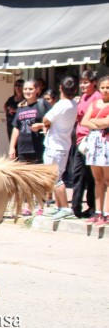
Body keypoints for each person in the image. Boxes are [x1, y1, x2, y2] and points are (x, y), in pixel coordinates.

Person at [39, 76, 78, 219]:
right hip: (63, 145)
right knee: (56, 176)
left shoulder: (61, 104)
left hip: (55, 145)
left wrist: (46, 124)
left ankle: (65, 208)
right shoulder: (73, 104)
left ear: (61, 88)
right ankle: (60, 206)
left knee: (55, 177)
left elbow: (46, 119)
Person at [69, 70, 100, 218]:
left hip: (91, 141)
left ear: (94, 83)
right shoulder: (82, 98)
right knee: (77, 175)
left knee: (91, 177)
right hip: (79, 141)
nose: (83, 85)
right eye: (81, 82)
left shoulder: (97, 97)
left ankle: (93, 208)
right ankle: (76, 207)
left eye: (86, 82)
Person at [80, 75, 109, 226]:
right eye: (103, 87)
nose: (105, 90)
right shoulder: (95, 102)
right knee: (97, 180)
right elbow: (84, 121)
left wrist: (94, 122)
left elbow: (107, 122)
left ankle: (107, 212)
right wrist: (99, 123)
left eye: (108, 87)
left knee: (108, 180)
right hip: (94, 142)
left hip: (106, 143)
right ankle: (98, 212)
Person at [8, 79, 49, 164]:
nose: (27, 91)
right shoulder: (21, 107)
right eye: (25, 89)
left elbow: (53, 122)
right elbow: (16, 128)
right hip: (22, 149)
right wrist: (12, 147)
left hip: (39, 148)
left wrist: (40, 125)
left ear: (37, 90)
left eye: (30, 89)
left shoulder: (42, 104)